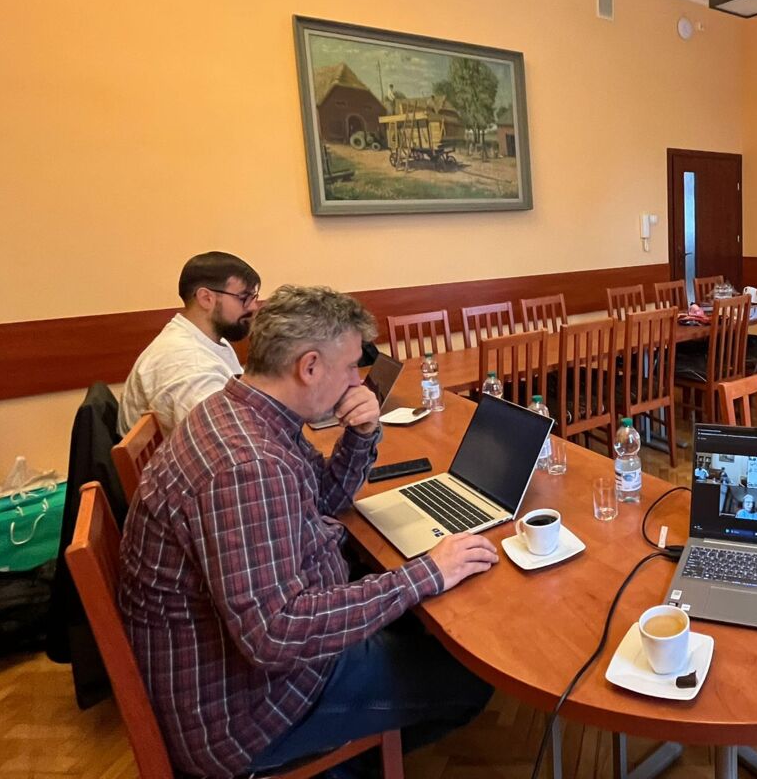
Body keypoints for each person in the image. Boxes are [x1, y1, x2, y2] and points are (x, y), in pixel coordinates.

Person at [116, 285, 497, 778]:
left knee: (429, 622)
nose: (356, 382)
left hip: (240, 673)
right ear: (310, 366)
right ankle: (342, 763)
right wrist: (424, 573)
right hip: (246, 715)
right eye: (349, 368)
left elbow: (325, 499)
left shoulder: (240, 411)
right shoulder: (247, 466)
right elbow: (274, 634)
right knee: (470, 677)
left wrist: (362, 435)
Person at [119, 252, 263, 437]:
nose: (253, 307)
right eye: (244, 297)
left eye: (254, 297)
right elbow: (222, 437)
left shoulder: (211, 341)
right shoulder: (186, 363)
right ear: (206, 298)